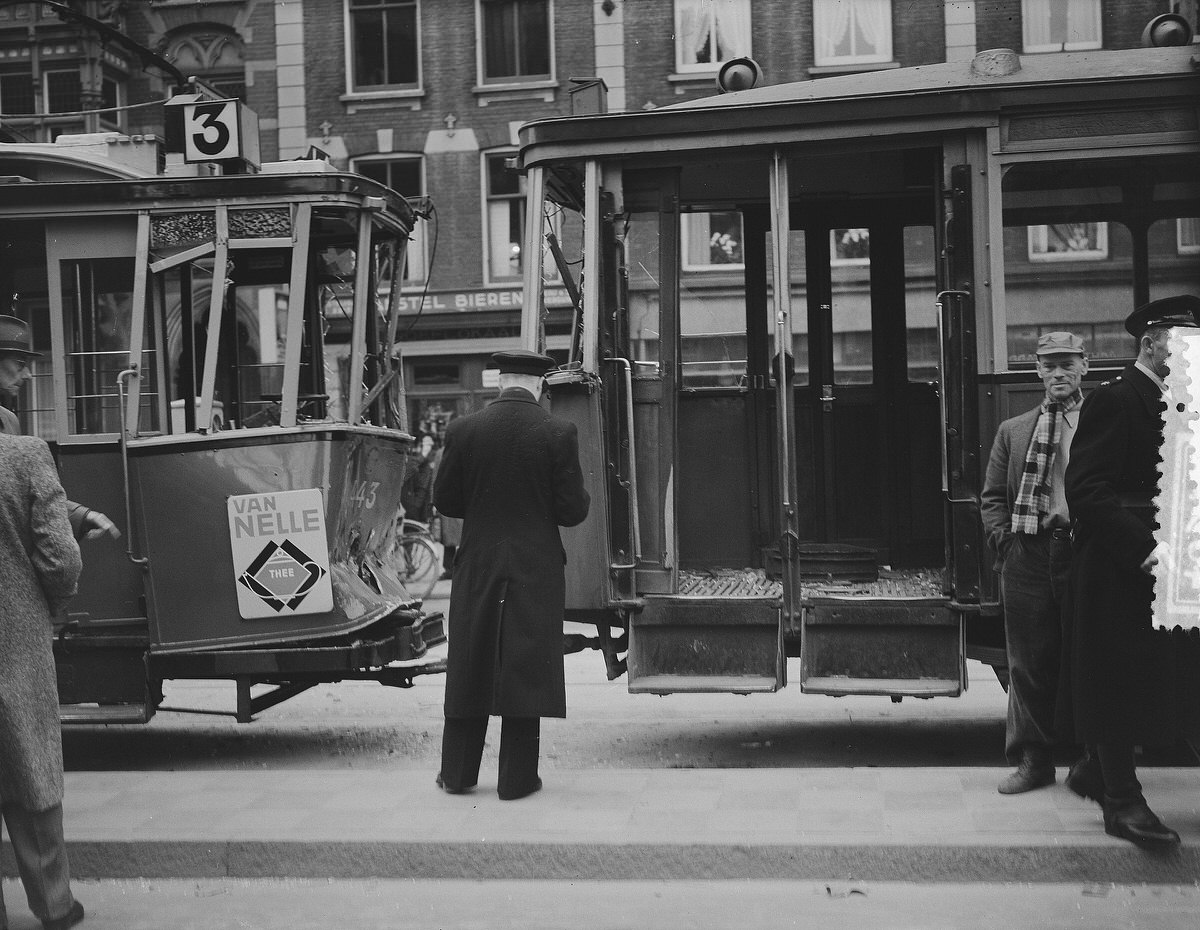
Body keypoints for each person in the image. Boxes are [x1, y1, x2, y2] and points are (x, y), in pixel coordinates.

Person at [1058, 294, 1200, 847]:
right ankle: (1120, 800)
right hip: (1120, 568)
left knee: (1177, 674)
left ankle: (1098, 770)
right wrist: (1144, 548)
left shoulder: (1183, 403)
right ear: (1153, 343)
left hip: (1175, 563)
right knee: (1116, 680)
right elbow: (1086, 490)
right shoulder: (1117, 401)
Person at [432, 349, 590, 800]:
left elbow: (446, 501)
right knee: (526, 669)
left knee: (469, 664)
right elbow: (571, 511)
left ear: (499, 382)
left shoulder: (463, 430)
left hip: (479, 562)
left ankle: (457, 774)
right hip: (534, 568)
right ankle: (517, 781)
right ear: (539, 385)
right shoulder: (558, 431)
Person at [981, 332, 1088, 794]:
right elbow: (991, 499)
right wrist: (1005, 544)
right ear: (1038, 372)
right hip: (1028, 552)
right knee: (1027, 662)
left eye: (1067, 364)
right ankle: (1035, 761)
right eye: (1049, 365)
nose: (1058, 373)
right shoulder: (1015, 429)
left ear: (1085, 365)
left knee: (1087, 657)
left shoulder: (1099, 420)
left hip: (1085, 550)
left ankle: (1092, 762)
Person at [0, 432, 87, 930]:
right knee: (31, 767)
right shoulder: (25, 454)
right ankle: (54, 905)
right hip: (15, 636)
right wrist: (54, 603)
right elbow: (61, 557)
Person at [0, 316, 120, 541]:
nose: (28, 375)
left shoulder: (8, 421)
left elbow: (23, 496)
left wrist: (80, 517)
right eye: (20, 364)